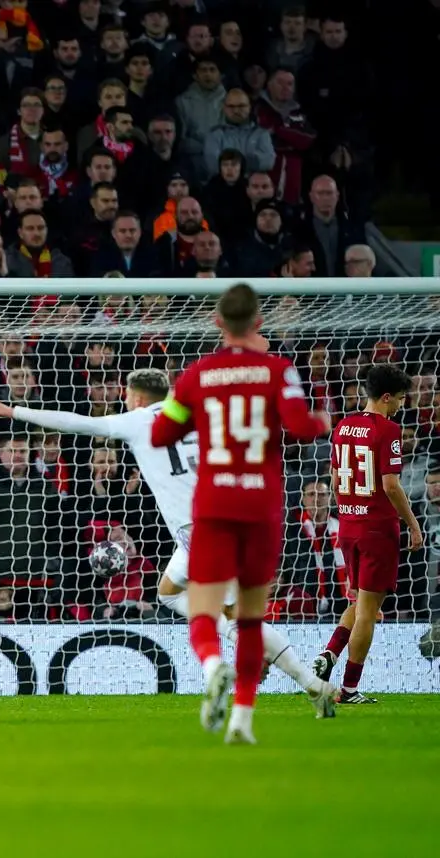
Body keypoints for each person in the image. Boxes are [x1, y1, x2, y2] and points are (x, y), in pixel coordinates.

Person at [0, 369, 334, 709]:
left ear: (137, 397)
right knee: (168, 593)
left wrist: (14, 410)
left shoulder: (137, 420)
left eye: (126, 393)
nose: (124, 399)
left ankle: (311, 683)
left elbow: (76, 421)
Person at [151, 283, 330, 744]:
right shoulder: (279, 371)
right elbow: (301, 428)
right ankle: (242, 721)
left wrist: (194, 416)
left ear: (217, 323)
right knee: (248, 618)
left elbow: (160, 434)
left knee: (205, 612)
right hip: (261, 507)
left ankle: (213, 667)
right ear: (258, 323)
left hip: (213, 506)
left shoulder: (196, 374)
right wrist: (322, 422)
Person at [314, 364, 422, 703]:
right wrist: (412, 524)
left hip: (347, 525)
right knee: (368, 611)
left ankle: (328, 654)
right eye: (401, 399)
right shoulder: (388, 429)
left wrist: (350, 509)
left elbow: (334, 479)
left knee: (358, 600)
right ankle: (348, 689)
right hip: (377, 529)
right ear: (386, 397)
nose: (401, 406)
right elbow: (391, 485)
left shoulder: (343, 426)